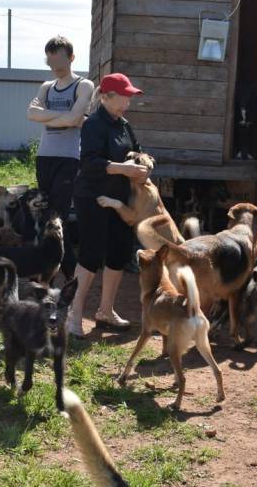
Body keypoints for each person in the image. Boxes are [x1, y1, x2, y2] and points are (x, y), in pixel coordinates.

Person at [66, 73, 148, 338]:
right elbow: (89, 163)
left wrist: (144, 166)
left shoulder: (124, 125)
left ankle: (105, 311)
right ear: (106, 97)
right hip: (91, 197)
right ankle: (74, 313)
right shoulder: (93, 125)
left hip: (119, 199)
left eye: (129, 97)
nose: (128, 102)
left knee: (119, 253)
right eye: (124, 97)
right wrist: (123, 168)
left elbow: (138, 152)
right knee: (91, 254)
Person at [26, 36, 94, 279]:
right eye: (50, 60)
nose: (54, 65)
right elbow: (31, 114)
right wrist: (62, 116)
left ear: (71, 57)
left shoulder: (84, 85)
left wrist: (46, 115)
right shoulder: (46, 87)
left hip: (69, 158)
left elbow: (75, 120)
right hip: (45, 157)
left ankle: (70, 275)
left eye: (59, 59)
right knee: (46, 215)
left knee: (58, 217)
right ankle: (56, 274)